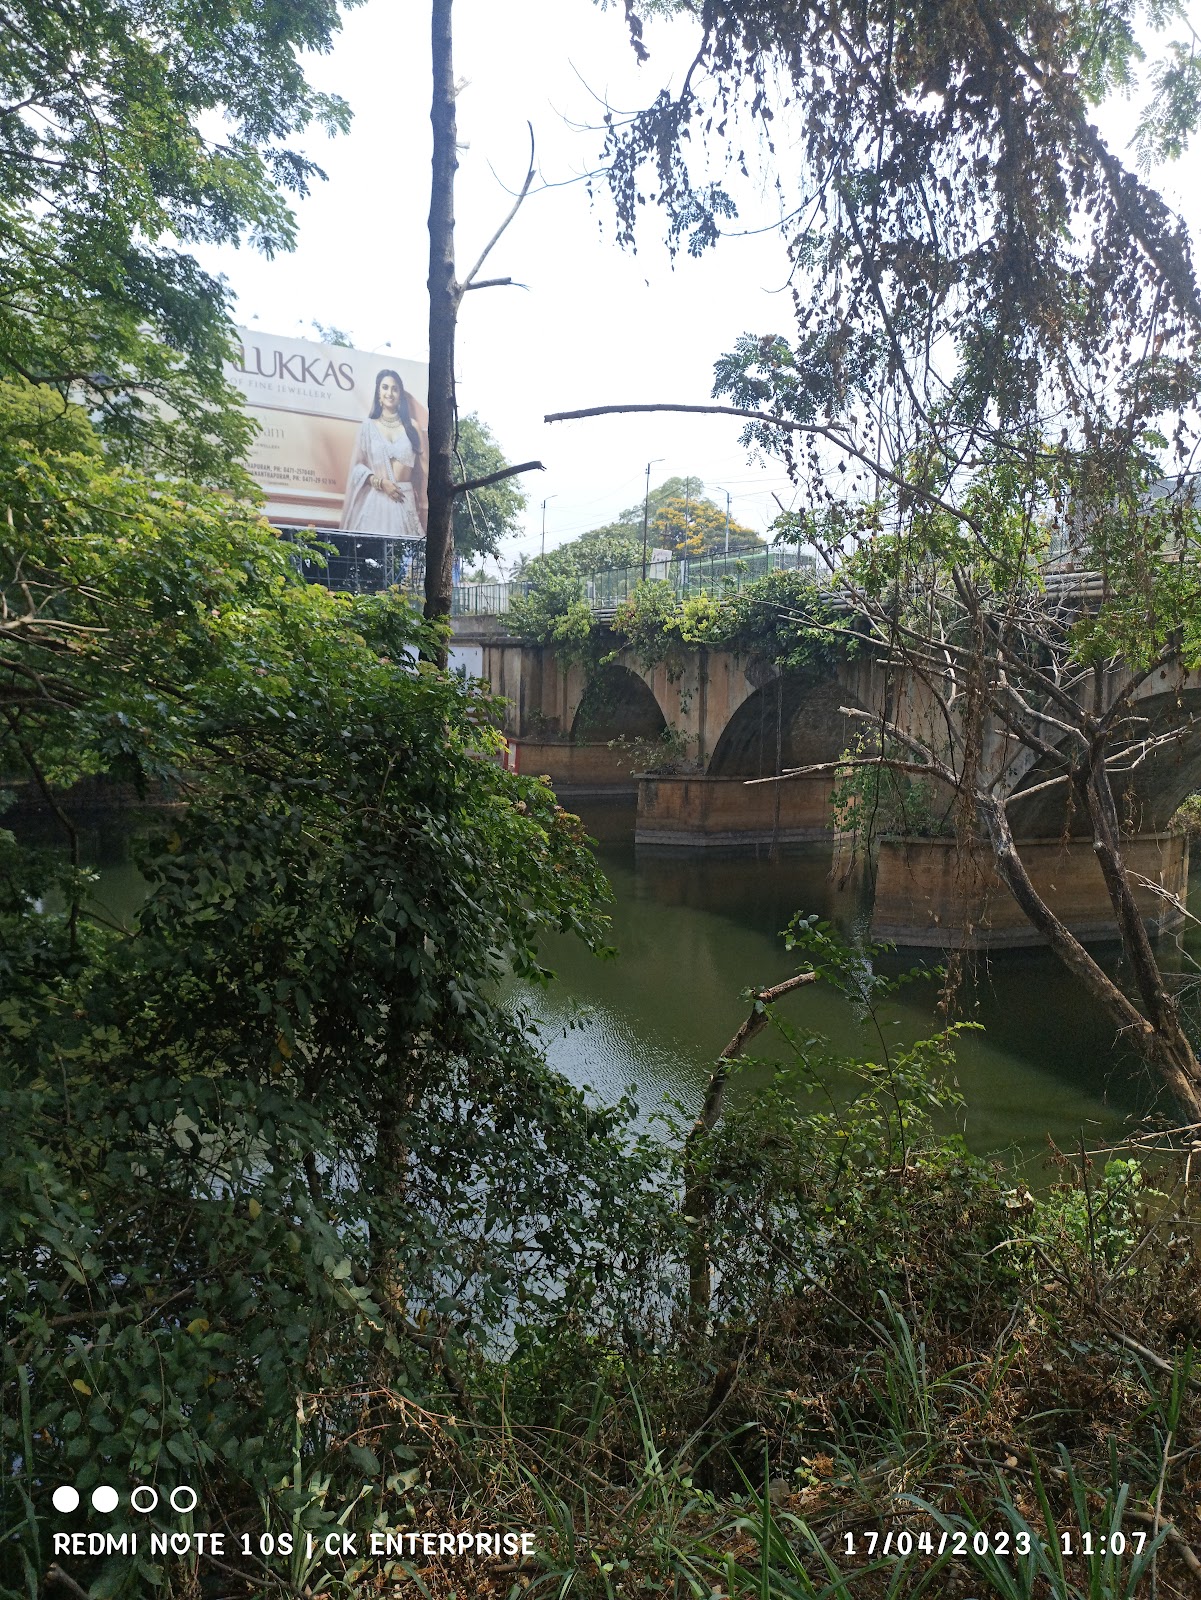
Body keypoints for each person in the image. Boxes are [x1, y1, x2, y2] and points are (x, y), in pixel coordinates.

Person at [341, 370, 428, 539]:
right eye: (385, 387)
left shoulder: (412, 426)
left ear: (400, 394)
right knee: (372, 557)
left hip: (404, 499)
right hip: (376, 503)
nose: (390, 393)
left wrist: (425, 504)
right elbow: (356, 468)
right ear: (378, 393)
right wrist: (380, 482)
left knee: (410, 561)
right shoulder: (368, 427)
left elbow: (426, 471)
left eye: (395, 389)